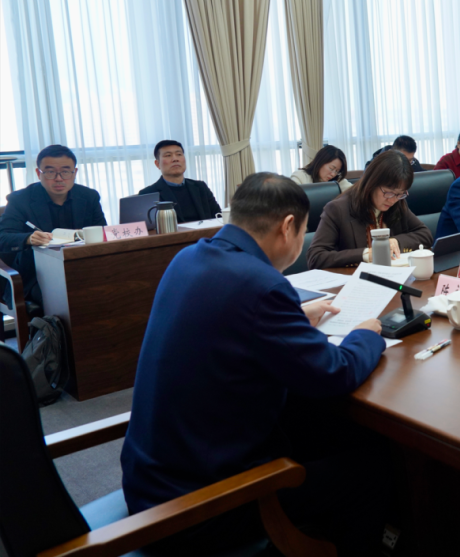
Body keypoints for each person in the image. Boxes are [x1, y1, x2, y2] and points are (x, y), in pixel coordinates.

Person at [121, 173, 387, 554]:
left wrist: (293, 316)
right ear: (288, 227)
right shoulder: (262, 285)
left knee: (320, 426)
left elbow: (225, 320)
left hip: (151, 481)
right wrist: (366, 335)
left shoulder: (188, 257)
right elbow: (335, 372)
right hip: (202, 506)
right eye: (303, 232)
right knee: (372, 470)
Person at [0, 145, 106, 306]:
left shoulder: (89, 196)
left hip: (83, 269)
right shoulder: (20, 200)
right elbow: (3, 237)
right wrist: (28, 238)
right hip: (36, 276)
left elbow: (102, 232)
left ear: (75, 173)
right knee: (71, 298)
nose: (58, 178)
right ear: (39, 173)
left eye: (65, 171)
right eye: (50, 172)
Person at [308, 150, 433, 269]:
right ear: (372, 183)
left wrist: (396, 242)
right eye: (388, 192)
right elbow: (316, 257)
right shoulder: (338, 209)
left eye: (400, 194)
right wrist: (366, 254)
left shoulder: (397, 202)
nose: (392, 200)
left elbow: (425, 234)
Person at [138, 140, 222, 223]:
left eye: (179, 154)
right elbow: (147, 227)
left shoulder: (200, 187)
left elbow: (218, 217)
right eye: (168, 155)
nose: (175, 159)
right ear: (157, 164)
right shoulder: (147, 194)